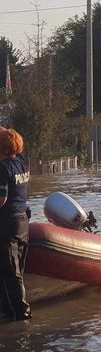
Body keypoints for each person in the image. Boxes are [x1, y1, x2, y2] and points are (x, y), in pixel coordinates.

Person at [0, 127, 31, 321]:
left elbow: (1, 199)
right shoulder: (21, 162)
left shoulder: (2, 168)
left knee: (9, 273)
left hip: (7, 225)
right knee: (18, 271)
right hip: (22, 222)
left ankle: (20, 315)